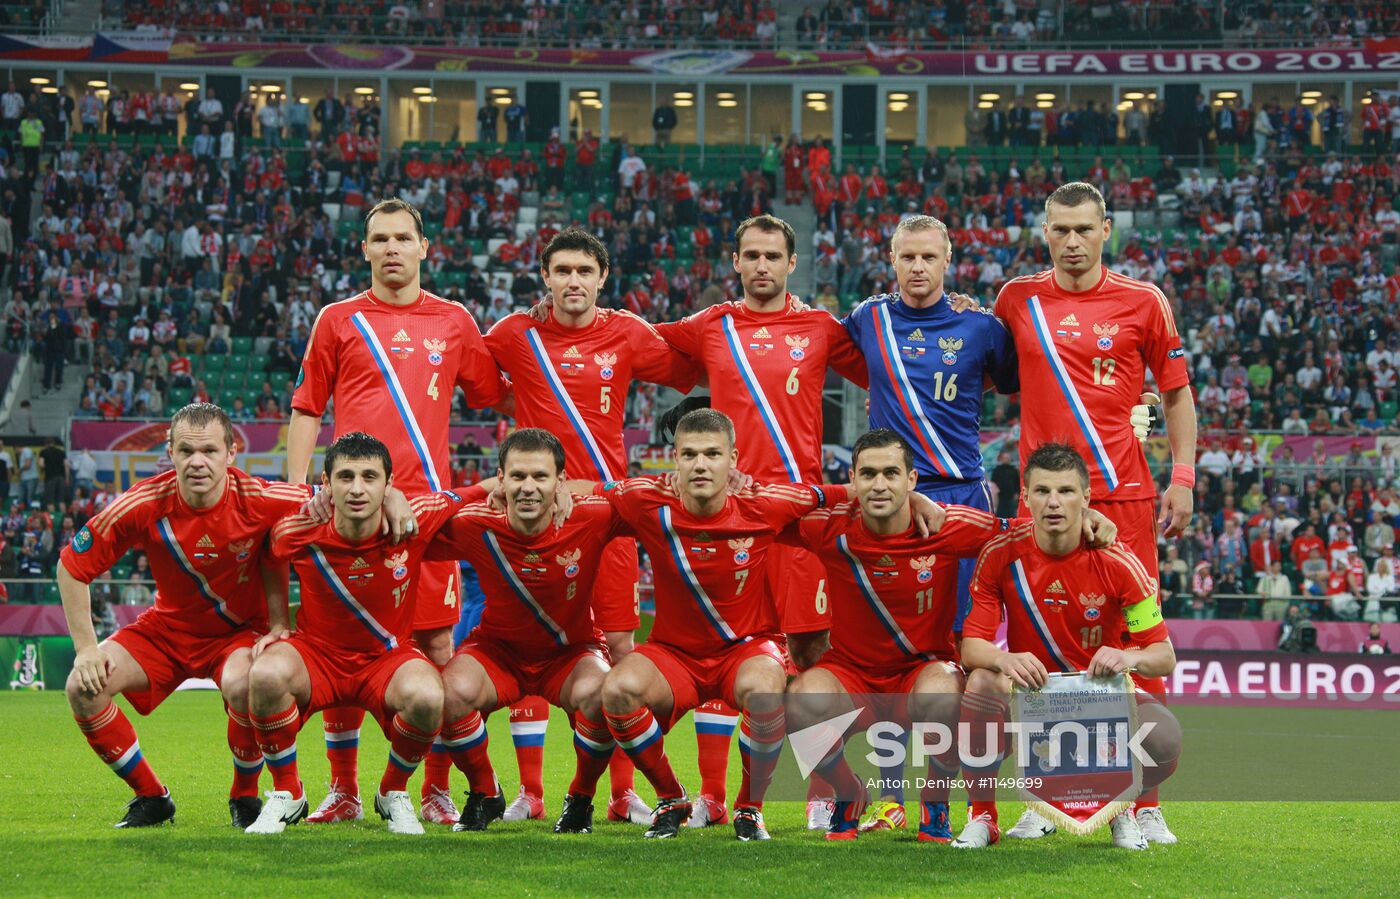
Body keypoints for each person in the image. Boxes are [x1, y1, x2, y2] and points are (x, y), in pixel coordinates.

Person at [972, 181, 1196, 844]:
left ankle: (1144, 801)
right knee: (1039, 644)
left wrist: (1174, 471)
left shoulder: (1144, 300)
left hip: (1125, 497)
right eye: (1059, 230)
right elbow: (1001, 376)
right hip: (1040, 502)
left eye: (1083, 230)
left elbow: (1172, 395)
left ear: (1107, 231)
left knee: (1131, 644)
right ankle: (1048, 799)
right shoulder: (1017, 299)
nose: (1071, 242)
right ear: (1045, 231)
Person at [287, 198, 510, 825]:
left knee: (438, 646)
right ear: (365, 250)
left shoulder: (454, 320)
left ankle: (434, 788)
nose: (391, 248)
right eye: (379, 238)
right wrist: (300, 487)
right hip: (349, 507)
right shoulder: (338, 319)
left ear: (424, 247)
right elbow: (308, 405)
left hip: (425, 514)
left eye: (402, 238)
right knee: (343, 647)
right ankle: (345, 791)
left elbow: (496, 394)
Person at [785, 429, 1118, 842]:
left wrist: (1084, 516)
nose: (880, 483)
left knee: (948, 693)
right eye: (868, 474)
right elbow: (769, 515)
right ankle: (849, 792)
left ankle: (935, 801)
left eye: (892, 473)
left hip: (921, 673)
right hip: (852, 675)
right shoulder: (827, 527)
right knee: (799, 702)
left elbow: (1022, 530)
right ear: (852, 479)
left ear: (912, 480)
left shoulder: (947, 524)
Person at [598, 409, 907, 841]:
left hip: (744, 649)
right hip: (673, 655)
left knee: (767, 693)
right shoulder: (644, 499)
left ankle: (749, 807)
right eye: (689, 455)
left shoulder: (766, 503)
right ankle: (672, 797)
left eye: (712, 454)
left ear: (733, 459)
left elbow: (841, 491)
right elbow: (583, 491)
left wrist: (917, 499)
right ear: (674, 460)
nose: (701, 464)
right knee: (615, 690)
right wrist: (498, 488)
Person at [653, 214, 869, 829]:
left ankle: (823, 787)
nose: (762, 266)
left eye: (773, 255)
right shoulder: (709, 326)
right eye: (751, 255)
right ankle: (715, 797)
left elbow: (887, 357)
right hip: (729, 518)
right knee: (725, 649)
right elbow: (638, 342)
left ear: (792, 262)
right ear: (737, 262)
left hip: (797, 519)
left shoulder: (822, 328)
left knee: (810, 651)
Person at [494, 228, 699, 824]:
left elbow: (691, 367)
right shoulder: (515, 333)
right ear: (546, 278)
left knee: (618, 648)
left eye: (585, 270)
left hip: (607, 521)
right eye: (562, 271)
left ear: (602, 278)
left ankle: (618, 794)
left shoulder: (628, 332)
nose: (573, 281)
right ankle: (530, 794)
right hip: (535, 520)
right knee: (526, 644)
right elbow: (469, 370)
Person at [838, 213, 1018, 830]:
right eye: (907, 257)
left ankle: (952, 806)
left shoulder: (982, 328)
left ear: (949, 261)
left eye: (929, 258)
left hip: (963, 501)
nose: (918, 268)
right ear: (891, 260)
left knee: (964, 660)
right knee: (899, 652)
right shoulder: (868, 320)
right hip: (892, 501)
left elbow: (1024, 381)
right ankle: (889, 799)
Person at [56, 404, 312, 829]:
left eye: (210, 450)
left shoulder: (263, 499)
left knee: (244, 684)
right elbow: (71, 566)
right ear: (169, 452)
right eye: (187, 451)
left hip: (236, 635)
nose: (198, 462)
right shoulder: (143, 503)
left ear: (231, 453)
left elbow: (344, 500)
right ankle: (152, 797)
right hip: (165, 632)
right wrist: (85, 649)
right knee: (82, 689)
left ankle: (244, 796)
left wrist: (394, 498)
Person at [957, 442, 1181, 851]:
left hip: (1100, 703)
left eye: (1066, 491)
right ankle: (983, 817)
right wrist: (1004, 658)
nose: (1053, 502)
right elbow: (972, 648)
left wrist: (1127, 656)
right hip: (1034, 699)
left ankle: (1125, 809)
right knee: (981, 683)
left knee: (1164, 736)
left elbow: (1163, 656)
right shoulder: (1001, 554)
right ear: (1025, 497)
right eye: (1042, 491)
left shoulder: (1119, 560)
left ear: (1087, 497)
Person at [244, 432, 470, 835]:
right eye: (346, 477)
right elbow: (268, 553)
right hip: (317, 655)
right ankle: (286, 792)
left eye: (370, 476)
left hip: (387, 656)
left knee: (429, 694)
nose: (358, 488)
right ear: (326, 484)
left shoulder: (414, 516)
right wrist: (278, 622)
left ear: (389, 483)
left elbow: (477, 492)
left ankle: (393, 791)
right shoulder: (300, 527)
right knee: (263, 674)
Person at [426, 428, 620, 834]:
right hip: (501, 653)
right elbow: (413, 520)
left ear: (560, 482)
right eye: (517, 477)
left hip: (570, 652)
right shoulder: (475, 524)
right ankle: (485, 792)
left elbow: (654, 501)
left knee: (607, 695)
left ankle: (582, 797)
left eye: (540, 477)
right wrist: (468, 493)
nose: (528, 487)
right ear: (500, 479)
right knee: (444, 694)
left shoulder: (593, 516)